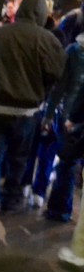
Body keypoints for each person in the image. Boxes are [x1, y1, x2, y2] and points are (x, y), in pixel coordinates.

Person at [0, 0, 65, 223]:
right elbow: (57, 73)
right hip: (26, 111)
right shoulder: (47, 40)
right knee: (18, 157)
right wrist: (41, 94)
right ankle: (10, 199)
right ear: (42, 14)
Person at [42, 28, 84, 224]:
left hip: (72, 117)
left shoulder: (75, 51)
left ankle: (59, 211)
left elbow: (61, 88)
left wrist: (49, 115)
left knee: (66, 164)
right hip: (75, 116)